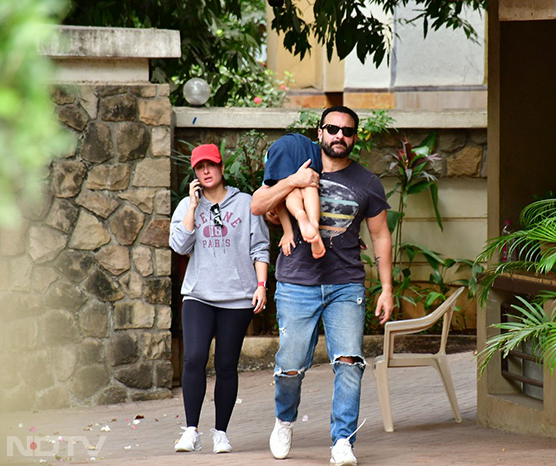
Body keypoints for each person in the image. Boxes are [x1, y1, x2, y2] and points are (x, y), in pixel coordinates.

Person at [251, 106, 394, 466]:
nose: (339, 136)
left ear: (355, 138)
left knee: (349, 361)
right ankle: (284, 420)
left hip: (346, 284)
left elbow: (380, 236)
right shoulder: (296, 163)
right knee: (290, 365)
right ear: (320, 132)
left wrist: (387, 288)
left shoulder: (367, 183)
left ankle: (342, 441)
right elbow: (258, 204)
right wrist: (294, 182)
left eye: (347, 131)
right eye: (332, 128)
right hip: (298, 283)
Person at [169, 143, 270, 454]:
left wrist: (262, 285)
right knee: (194, 358)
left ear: (222, 167)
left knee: (226, 365)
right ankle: (191, 430)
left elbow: (260, 248)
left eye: (211, 165)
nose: (206, 171)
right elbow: (180, 246)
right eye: (200, 168)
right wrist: (191, 206)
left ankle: (221, 432)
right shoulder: (189, 205)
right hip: (198, 294)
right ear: (195, 173)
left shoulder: (246, 203)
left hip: (237, 297)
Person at [262, 133, 326, 259]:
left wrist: (287, 231)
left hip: (279, 149)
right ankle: (314, 225)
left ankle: (299, 214)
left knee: (288, 191)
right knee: (309, 185)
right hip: (308, 146)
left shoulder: (272, 157)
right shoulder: (312, 146)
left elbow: (278, 200)